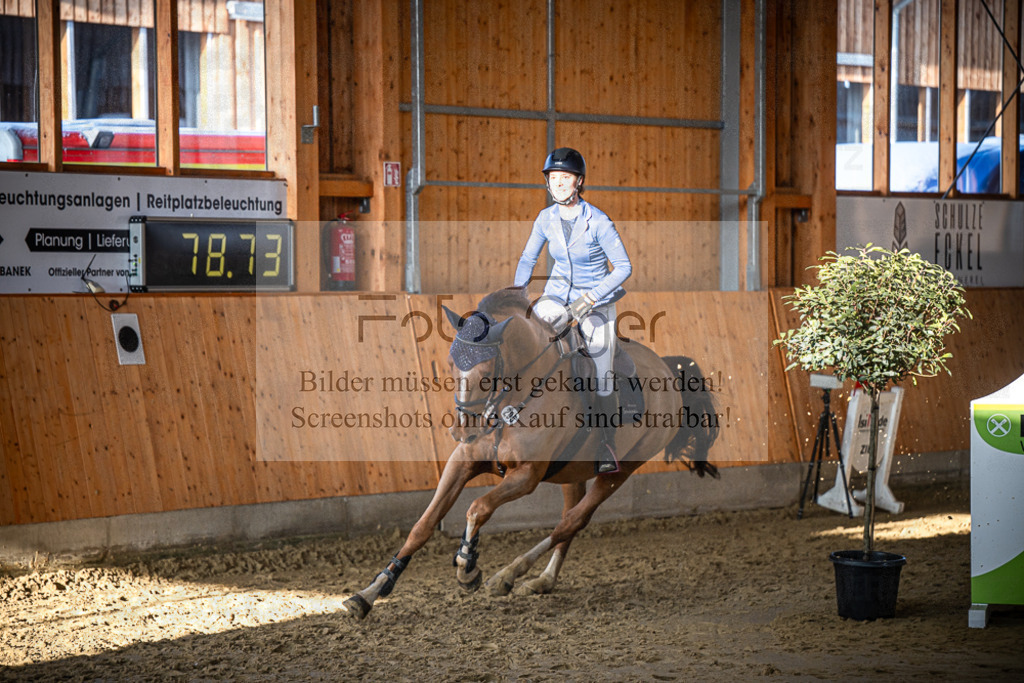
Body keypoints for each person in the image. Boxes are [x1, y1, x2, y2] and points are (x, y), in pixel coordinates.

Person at [513, 147, 632, 474]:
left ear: (578, 181)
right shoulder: (545, 218)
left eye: (565, 178)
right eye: (554, 178)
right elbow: (527, 259)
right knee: (529, 345)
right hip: (555, 297)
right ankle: (513, 414)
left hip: (595, 301)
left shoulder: (599, 221)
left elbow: (623, 267)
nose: (560, 184)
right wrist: (517, 294)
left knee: (601, 368)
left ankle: (607, 443)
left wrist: (589, 299)